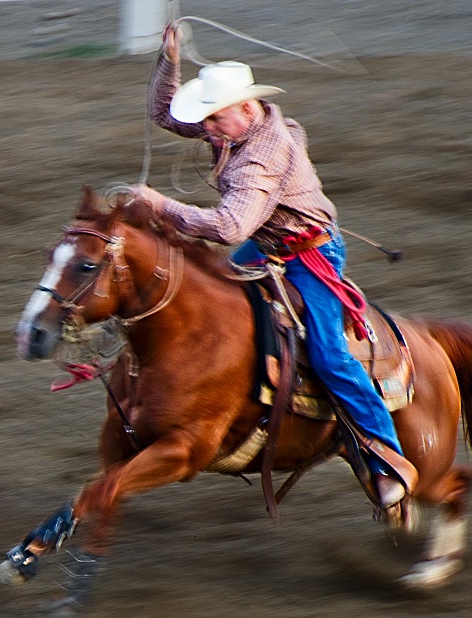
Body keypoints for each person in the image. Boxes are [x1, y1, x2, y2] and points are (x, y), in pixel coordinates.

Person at [131, 23, 414, 509]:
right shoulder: (238, 123)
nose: (209, 129)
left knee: (328, 353)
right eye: (209, 120)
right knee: (212, 298)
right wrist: (169, 58)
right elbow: (164, 111)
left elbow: (229, 226)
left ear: (246, 108)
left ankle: (385, 454)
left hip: (311, 254)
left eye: (216, 120)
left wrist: (162, 206)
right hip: (269, 245)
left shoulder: (262, 155)